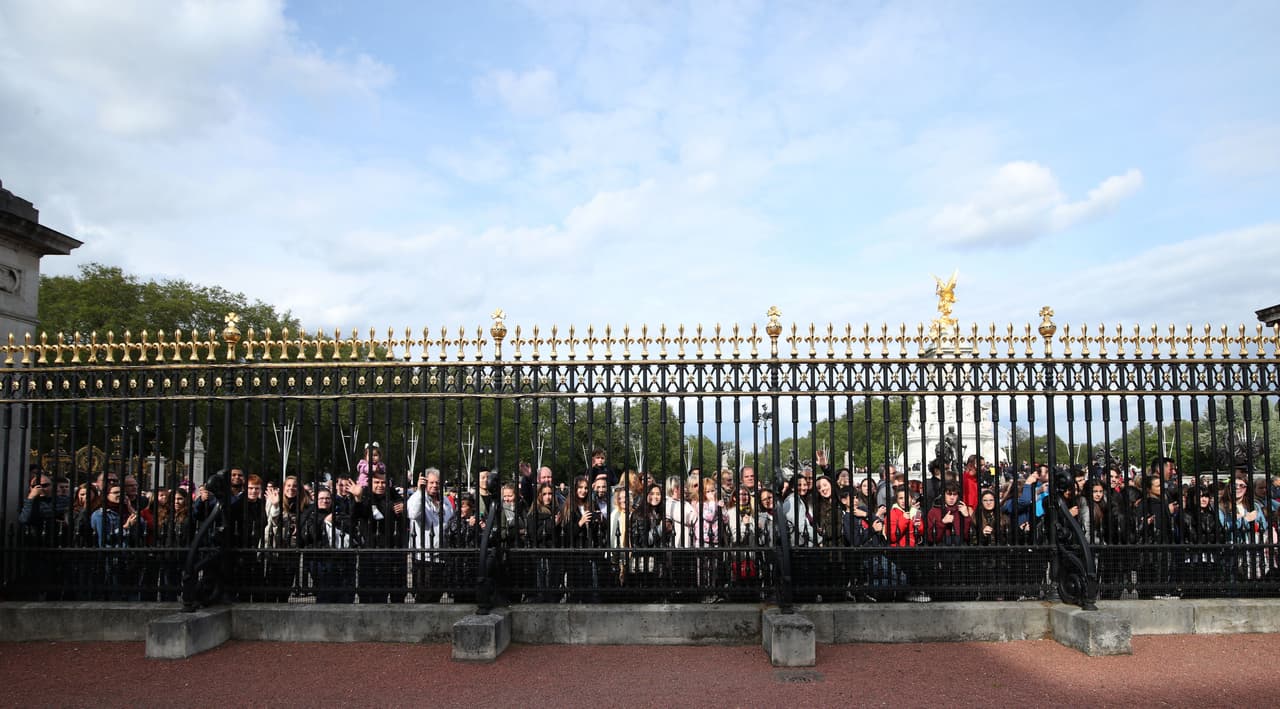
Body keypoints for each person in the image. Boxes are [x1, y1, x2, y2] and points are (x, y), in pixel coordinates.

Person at [301, 485, 355, 603]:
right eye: (321, 498)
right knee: (324, 590)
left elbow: (350, 528)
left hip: (340, 558)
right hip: (319, 558)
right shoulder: (310, 514)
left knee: (342, 591)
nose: (325, 501)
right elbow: (312, 535)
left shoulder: (339, 512)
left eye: (327, 498)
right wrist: (325, 522)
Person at [407, 468, 451, 603]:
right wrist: (420, 491)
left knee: (437, 594)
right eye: (431, 482)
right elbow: (413, 514)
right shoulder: (416, 497)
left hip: (441, 555)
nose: (434, 485)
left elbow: (450, 518)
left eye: (437, 483)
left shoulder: (445, 500)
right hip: (423, 556)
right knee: (423, 595)